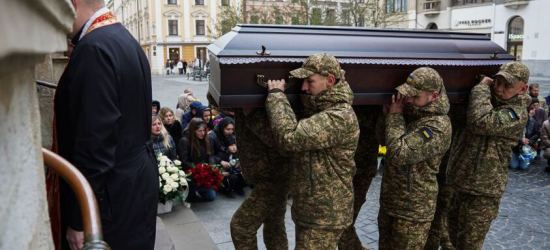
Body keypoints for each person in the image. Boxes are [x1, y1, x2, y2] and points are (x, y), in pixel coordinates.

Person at [55, 0, 158, 249]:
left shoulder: (93, 48)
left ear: (72, 4)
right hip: (133, 182)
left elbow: (94, 145)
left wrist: (80, 220)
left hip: (112, 197)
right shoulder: (123, 38)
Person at [265, 53, 359, 249]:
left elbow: (289, 138)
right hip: (312, 211)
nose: (303, 88)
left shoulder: (339, 116)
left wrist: (276, 96)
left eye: (310, 81)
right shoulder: (319, 108)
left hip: (324, 216)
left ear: (330, 81)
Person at [446, 61, 530, 249]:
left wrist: (482, 88)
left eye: (507, 85)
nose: (499, 89)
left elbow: (480, 122)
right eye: (497, 82)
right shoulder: (487, 102)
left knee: (469, 244)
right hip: (460, 181)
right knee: (452, 238)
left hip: (483, 191)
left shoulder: (516, 114)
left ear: (523, 89)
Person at [376, 67, 452, 250]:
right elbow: (382, 143)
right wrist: (386, 117)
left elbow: (398, 153)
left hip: (413, 210)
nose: (408, 100)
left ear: (434, 95)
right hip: (390, 201)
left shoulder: (438, 126)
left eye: (415, 96)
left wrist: (394, 117)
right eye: (407, 95)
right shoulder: (409, 114)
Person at [230, 108, 291, 250]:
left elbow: (282, 139)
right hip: (263, 173)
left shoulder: (278, 95)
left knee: (241, 225)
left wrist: (250, 113)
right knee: (274, 226)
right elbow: (217, 98)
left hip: (275, 175)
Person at [338, 106, 381, 250]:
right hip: (342, 170)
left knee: (349, 217)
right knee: (343, 221)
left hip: (363, 168)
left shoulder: (376, 108)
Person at [177, 118, 216, 201]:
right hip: (191, 171)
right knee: (191, 198)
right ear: (193, 130)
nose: (203, 133)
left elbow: (211, 154)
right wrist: (198, 169)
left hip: (204, 170)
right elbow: (184, 161)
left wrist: (211, 166)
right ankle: (189, 190)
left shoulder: (207, 138)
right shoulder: (185, 141)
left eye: (204, 130)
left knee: (210, 197)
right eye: (199, 131)